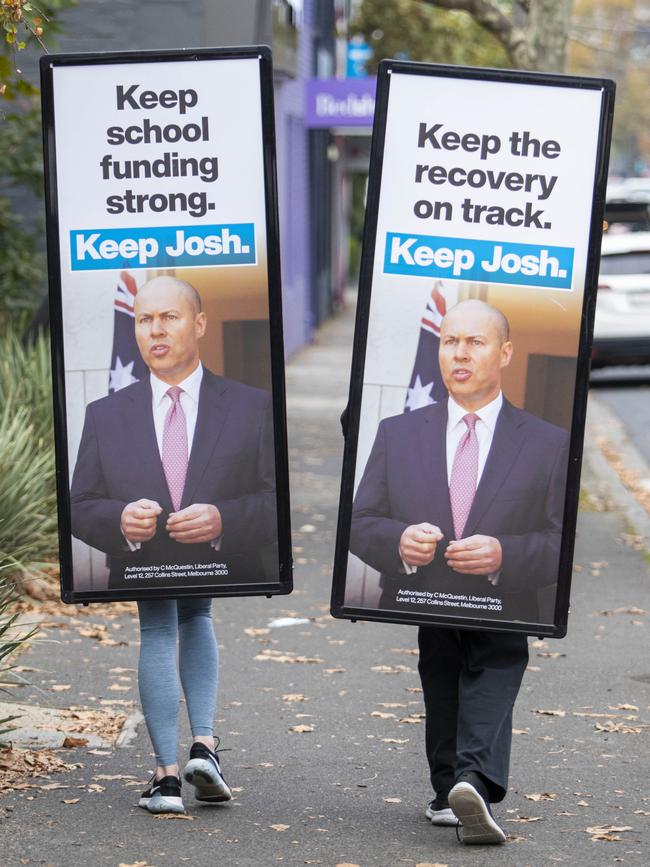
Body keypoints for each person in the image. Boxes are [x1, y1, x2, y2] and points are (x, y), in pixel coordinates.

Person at [350, 299, 569, 844]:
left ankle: (471, 778)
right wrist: (398, 542)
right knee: (441, 674)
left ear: (505, 352)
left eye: (475, 342)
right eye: (450, 342)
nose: (460, 353)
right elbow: (361, 522)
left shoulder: (547, 443)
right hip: (426, 593)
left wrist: (505, 554)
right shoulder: (398, 433)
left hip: (505, 599)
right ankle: (451, 786)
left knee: (496, 664)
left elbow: (559, 539)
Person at [70, 275, 278, 813]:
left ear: (199, 324)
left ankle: (191, 758)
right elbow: (81, 505)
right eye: (144, 319)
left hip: (216, 559)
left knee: (192, 618)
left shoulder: (251, 406)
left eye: (169, 317)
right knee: (165, 623)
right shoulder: (105, 414)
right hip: (145, 562)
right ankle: (173, 771)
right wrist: (119, 518)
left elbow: (271, 498)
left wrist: (223, 518)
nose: (155, 330)